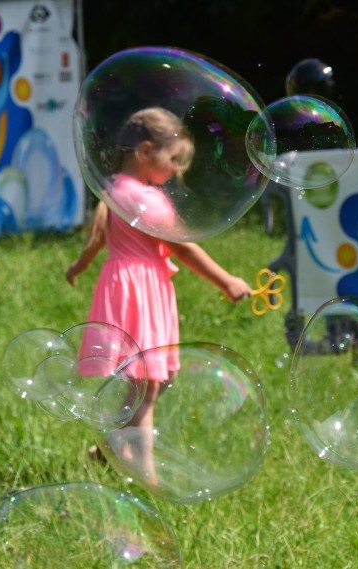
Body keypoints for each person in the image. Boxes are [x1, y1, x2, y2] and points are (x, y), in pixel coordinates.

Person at [65, 107, 253, 483]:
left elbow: (99, 237)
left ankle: (108, 448)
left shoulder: (118, 189)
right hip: (141, 288)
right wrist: (226, 280)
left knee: (151, 379)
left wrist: (80, 265)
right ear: (146, 151)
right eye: (173, 161)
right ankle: (145, 474)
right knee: (148, 383)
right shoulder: (146, 200)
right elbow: (182, 249)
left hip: (125, 284)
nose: (175, 172)